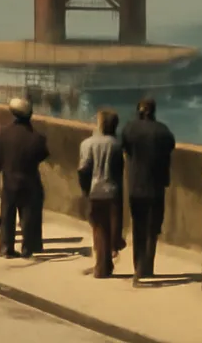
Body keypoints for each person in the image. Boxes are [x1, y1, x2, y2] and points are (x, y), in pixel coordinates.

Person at [0, 96, 49, 259]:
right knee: (29, 214)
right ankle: (28, 247)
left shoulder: (1, 132)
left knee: (7, 214)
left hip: (9, 179)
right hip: (29, 179)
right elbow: (42, 155)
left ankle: (6, 248)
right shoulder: (38, 137)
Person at [121, 96, 176, 282]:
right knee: (153, 228)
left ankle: (138, 266)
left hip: (136, 184)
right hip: (157, 185)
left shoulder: (129, 128)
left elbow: (126, 149)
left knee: (138, 227)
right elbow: (170, 148)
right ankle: (148, 266)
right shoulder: (163, 131)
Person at [78, 108, 126, 278]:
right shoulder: (117, 145)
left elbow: (83, 169)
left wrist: (85, 191)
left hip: (94, 191)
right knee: (111, 229)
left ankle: (101, 267)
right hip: (112, 191)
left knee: (98, 230)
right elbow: (119, 170)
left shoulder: (86, 144)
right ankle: (107, 261)